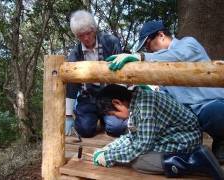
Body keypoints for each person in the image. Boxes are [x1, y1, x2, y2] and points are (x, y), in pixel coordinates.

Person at [105, 20, 224, 163]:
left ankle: (221, 139)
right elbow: (165, 96)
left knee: (214, 113)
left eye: (148, 45)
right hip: (190, 114)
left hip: (213, 105)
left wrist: (142, 57)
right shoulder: (162, 70)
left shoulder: (187, 44)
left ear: (161, 35)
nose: (149, 51)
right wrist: (141, 90)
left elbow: (176, 57)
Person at [93, 84, 224, 179]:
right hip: (173, 136)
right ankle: (194, 157)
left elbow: (142, 145)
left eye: (113, 114)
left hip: (185, 141)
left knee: (139, 162)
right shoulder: (137, 100)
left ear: (117, 102)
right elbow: (133, 137)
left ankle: (194, 160)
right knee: (133, 152)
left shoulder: (144, 107)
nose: (116, 118)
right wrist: (109, 148)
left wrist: (109, 157)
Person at [65, 10, 127, 138]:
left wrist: (122, 102)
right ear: (76, 36)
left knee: (117, 128)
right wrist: (68, 115)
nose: (86, 38)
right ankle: (92, 117)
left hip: (110, 95)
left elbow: (120, 75)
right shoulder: (75, 54)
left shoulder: (111, 42)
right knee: (85, 130)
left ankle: (106, 118)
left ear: (94, 29)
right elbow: (72, 86)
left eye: (88, 33)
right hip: (88, 97)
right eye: (81, 35)